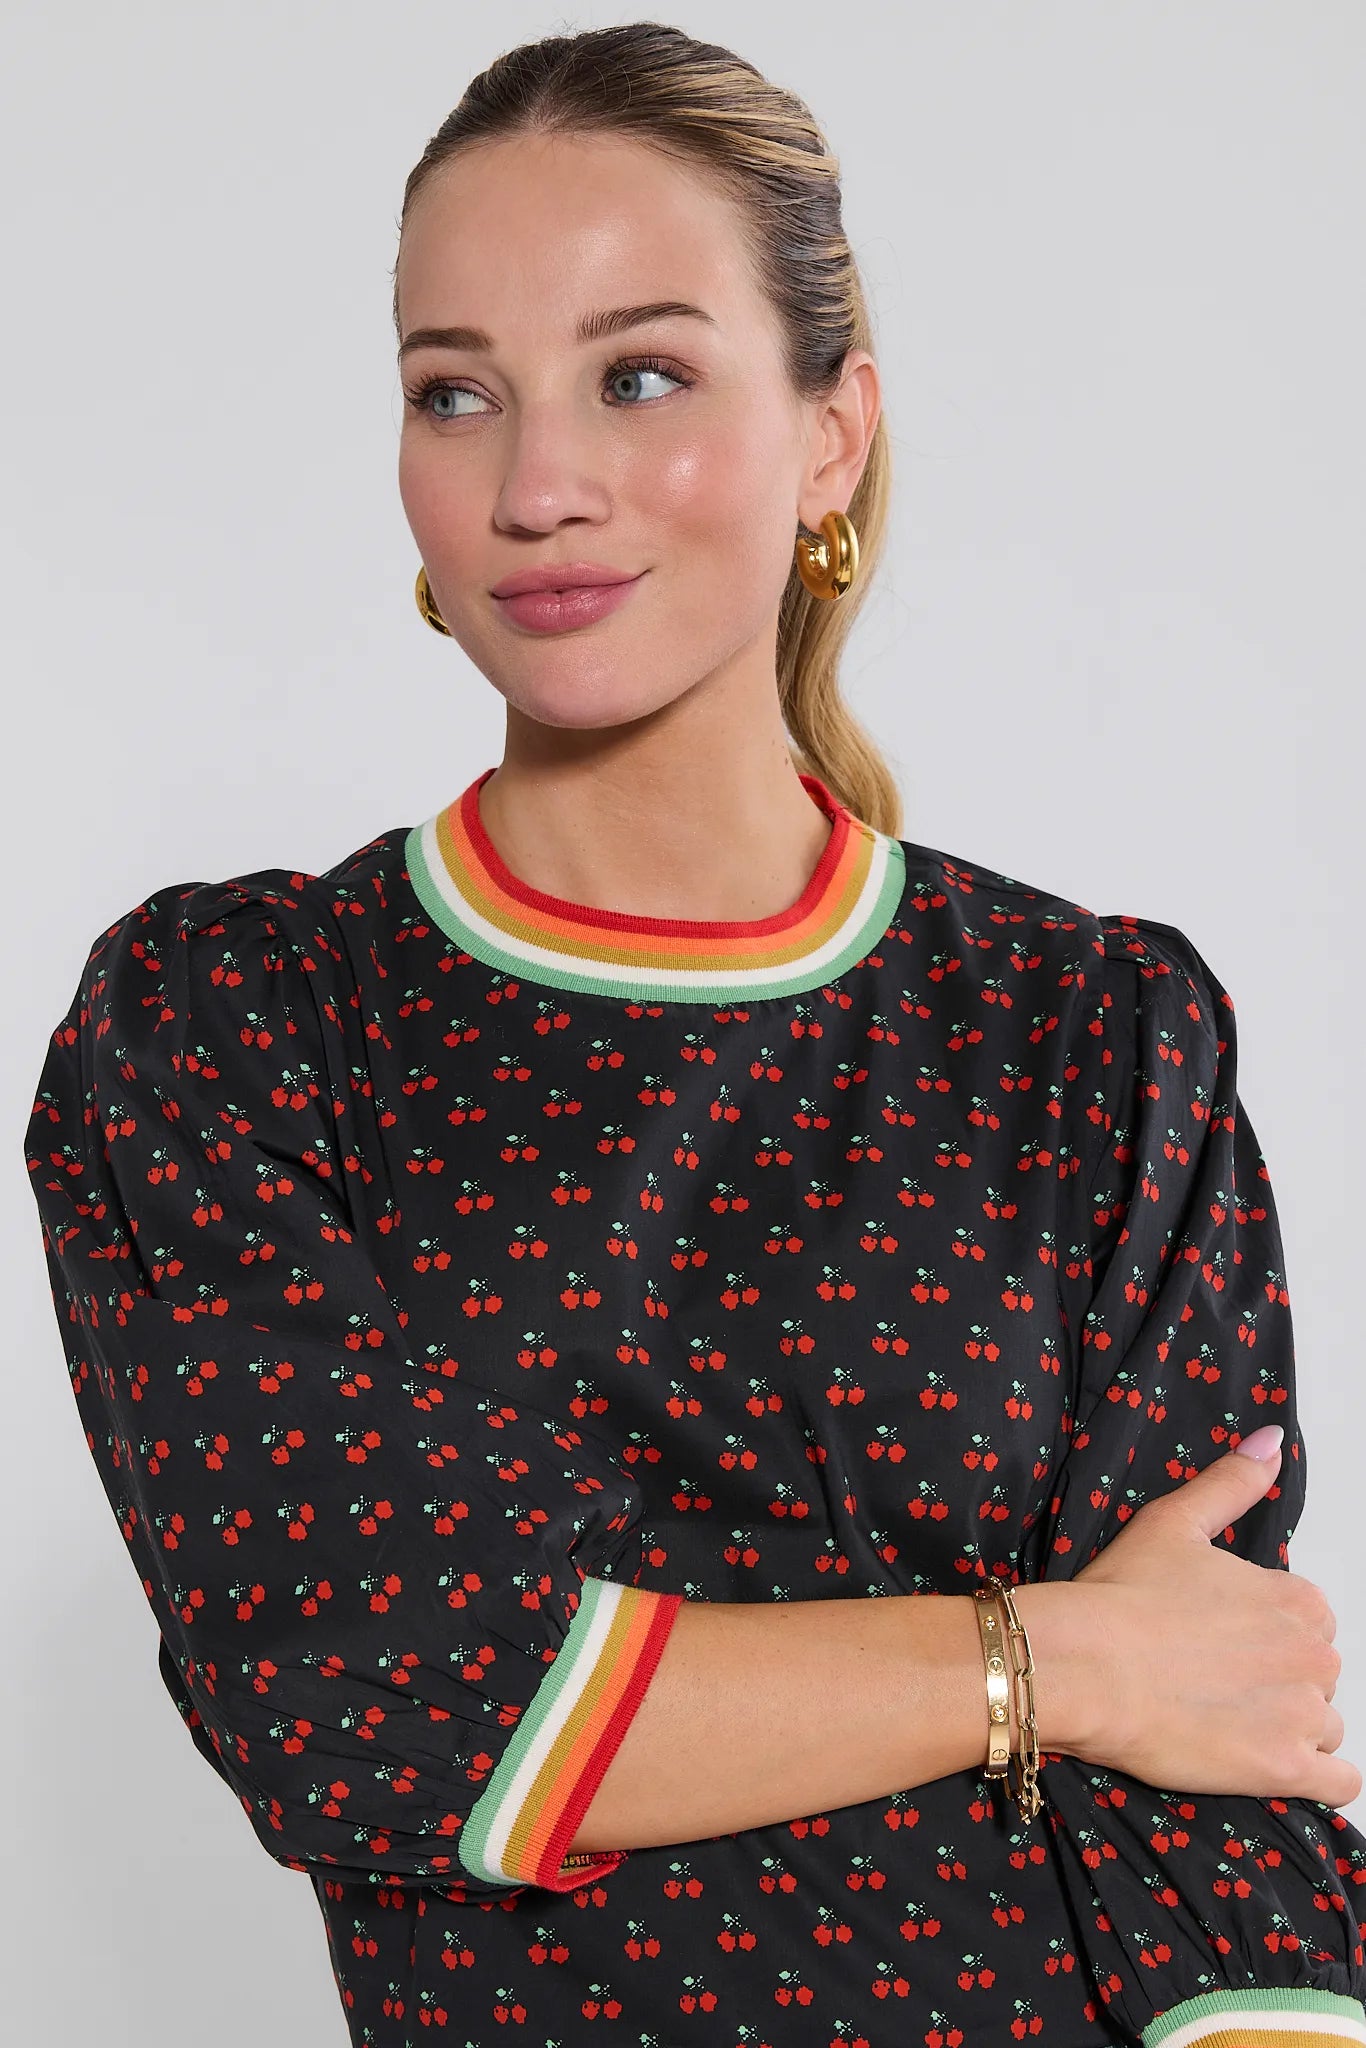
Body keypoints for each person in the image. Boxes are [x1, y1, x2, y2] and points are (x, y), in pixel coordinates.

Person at [24, 21, 1366, 2048]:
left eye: (637, 374)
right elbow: (391, 1713)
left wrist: (1117, 1682)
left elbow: (1222, 1779)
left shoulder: (1092, 1028)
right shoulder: (229, 1030)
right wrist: (1049, 1663)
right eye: (451, 392)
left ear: (831, 429)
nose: (537, 483)